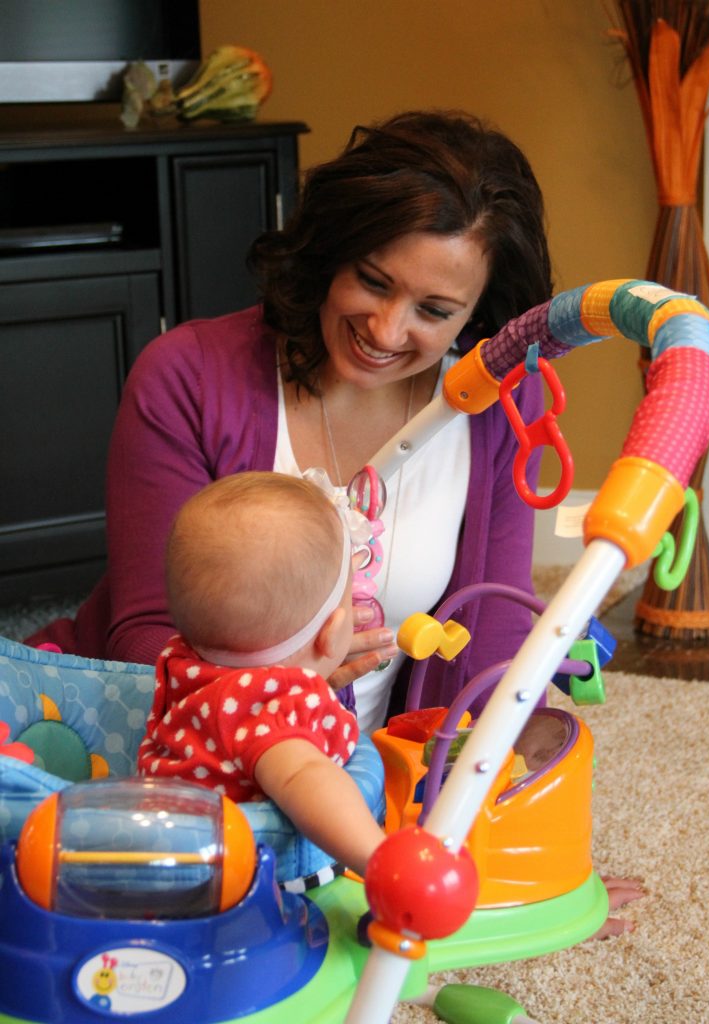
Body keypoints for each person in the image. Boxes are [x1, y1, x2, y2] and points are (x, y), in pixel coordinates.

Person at [27, 108, 642, 932]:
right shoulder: (187, 377)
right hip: (181, 742)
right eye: (374, 281)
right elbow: (148, 635)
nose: (386, 330)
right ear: (331, 250)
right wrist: (286, 693)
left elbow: (490, 636)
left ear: (479, 316)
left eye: (434, 310)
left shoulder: (500, 401)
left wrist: (519, 857)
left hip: (359, 782)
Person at [137, 471, 385, 879]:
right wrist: (381, 861)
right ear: (332, 632)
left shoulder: (183, 661)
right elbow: (308, 778)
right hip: (246, 881)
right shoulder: (273, 709)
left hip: (167, 856)